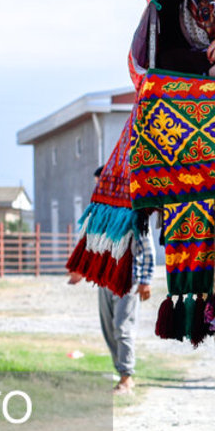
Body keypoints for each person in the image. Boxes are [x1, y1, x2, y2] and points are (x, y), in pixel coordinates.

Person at [68, 169, 156, 395]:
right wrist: (79, 269)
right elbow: (91, 243)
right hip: (105, 279)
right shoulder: (100, 214)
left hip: (129, 280)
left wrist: (146, 280)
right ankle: (121, 371)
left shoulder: (134, 213)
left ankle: (127, 377)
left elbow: (148, 250)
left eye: (101, 184)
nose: (99, 189)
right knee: (108, 327)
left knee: (122, 326)